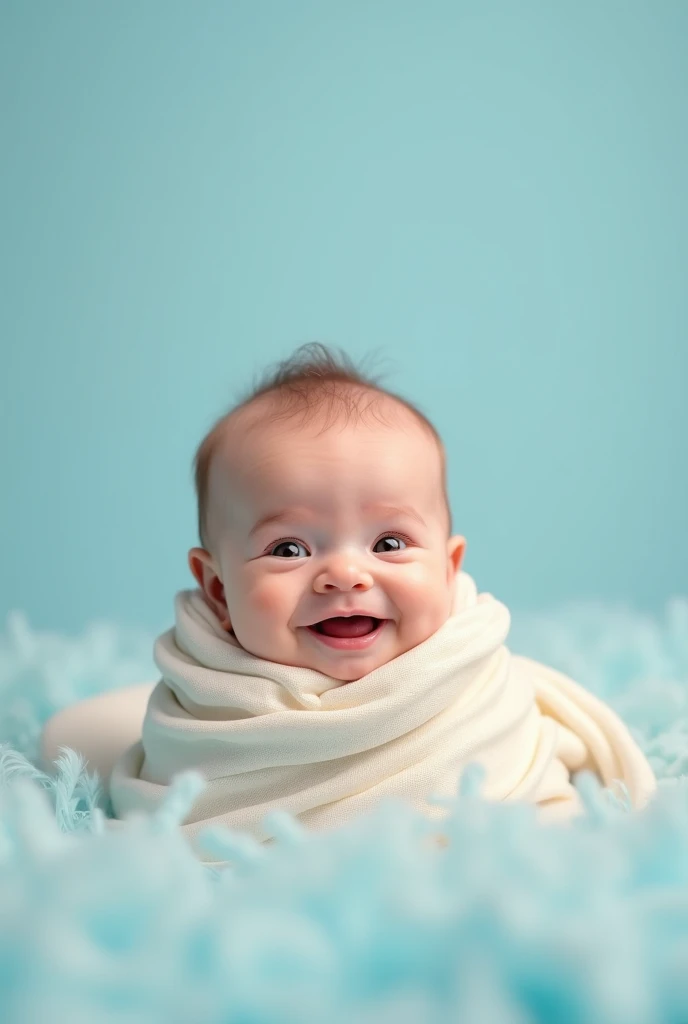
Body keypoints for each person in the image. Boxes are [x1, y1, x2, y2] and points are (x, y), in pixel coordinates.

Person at [41, 343, 656, 862]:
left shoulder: (475, 690)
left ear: (448, 567)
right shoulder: (202, 713)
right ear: (219, 591)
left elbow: (544, 817)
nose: (344, 575)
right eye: (288, 548)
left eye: (389, 542)